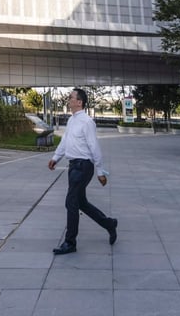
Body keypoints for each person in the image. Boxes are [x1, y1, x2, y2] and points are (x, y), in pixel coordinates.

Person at [47, 87, 118, 254]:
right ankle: (109, 224)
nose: (68, 100)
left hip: (83, 167)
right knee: (81, 202)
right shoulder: (72, 120)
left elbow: (94, 147)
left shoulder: (87, 122)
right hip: (74, 166)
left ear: (79, 102)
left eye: (71, 97)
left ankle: (70, 242)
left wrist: (100, 171)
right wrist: (56, 157)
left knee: (70, 202)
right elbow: (65, 141)